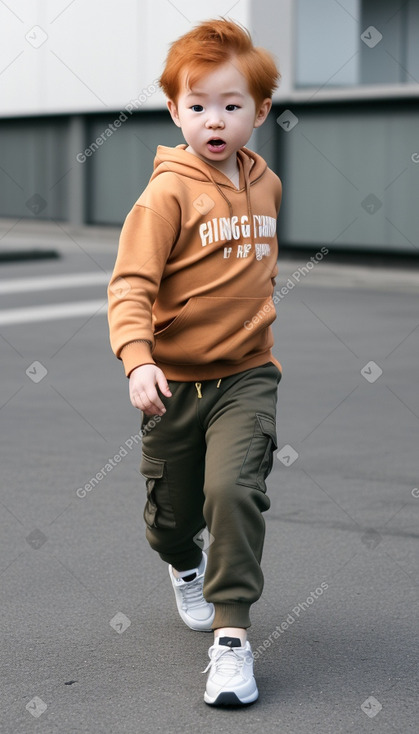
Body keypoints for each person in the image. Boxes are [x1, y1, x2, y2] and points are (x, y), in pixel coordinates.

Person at [108, 17, 282, 706]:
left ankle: (232, 640)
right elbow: (130, 286)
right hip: (172, 384)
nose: (214, 120)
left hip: (247, 375)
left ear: (260, 111)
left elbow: (255, 271)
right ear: (175, 110)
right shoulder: (166, 194)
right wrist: (137, 359)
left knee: (234, 493)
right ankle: (184, 564)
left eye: (231, 105)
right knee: (170, 520)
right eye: (198, 106)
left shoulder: (265, 185)